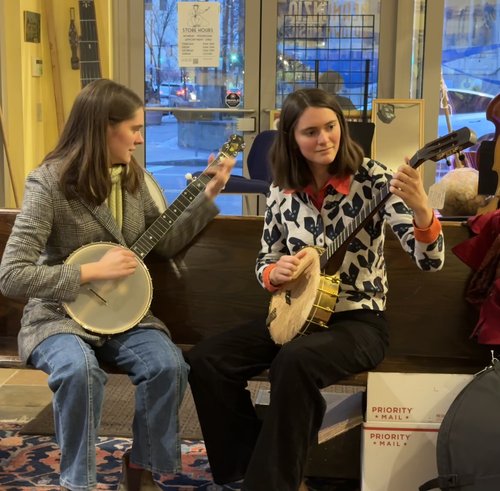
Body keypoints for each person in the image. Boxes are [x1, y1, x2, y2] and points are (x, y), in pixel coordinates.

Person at [186, 88, 445, 491]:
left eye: (331, 127)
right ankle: (244, 466)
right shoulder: (281, 189)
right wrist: (276, 272)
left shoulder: (374, 179)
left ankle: (271, 484)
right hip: (295, 316)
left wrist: (422, 209)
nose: (324, 139)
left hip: (359, 321)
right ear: (291, 138)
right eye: (310, 132)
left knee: (294, 362)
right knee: (207, 360)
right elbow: (264, 259)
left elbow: (430, 260)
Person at [0, 79, 235, 491]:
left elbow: (163, 246)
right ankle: (79, 481)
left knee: (167, 366)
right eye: (134, 129)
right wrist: (90, 272)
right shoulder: (49, 183)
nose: (142, 140)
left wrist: (209, 193)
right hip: (60, 314)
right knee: (79, 371)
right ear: (102, 129)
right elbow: (12, 275)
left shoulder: (133, 179)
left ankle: (142, 470)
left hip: (122, 313)